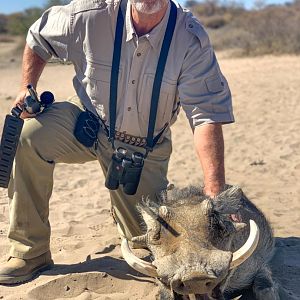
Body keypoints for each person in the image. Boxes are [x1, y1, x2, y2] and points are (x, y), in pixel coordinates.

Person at [0, 0, 234, 284]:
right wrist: (28, 86)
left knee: (149, 250)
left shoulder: (190, 38)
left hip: (142, 147)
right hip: (87, 122)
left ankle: (125, 212)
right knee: (29, 135)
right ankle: (29, 252)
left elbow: (206, 115)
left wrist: (215, 190)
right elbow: (39, 37)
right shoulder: (88, 14)